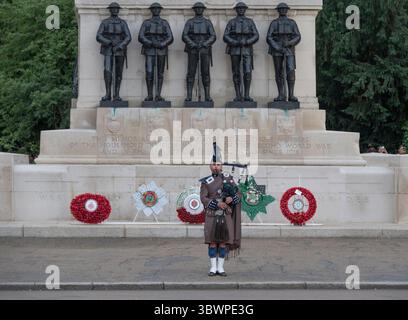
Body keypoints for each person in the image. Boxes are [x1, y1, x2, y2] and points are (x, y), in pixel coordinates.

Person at [200, 144, 242, 277]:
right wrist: (217, 203)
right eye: (213, 164)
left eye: (218, 164)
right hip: (212, 215)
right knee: (212, 242)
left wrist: (231, 198)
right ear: (210, 166)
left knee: (223, 242)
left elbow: (239, 194)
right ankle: (213, 267)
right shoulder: (206, 182)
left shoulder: (229, 179)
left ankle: (221, 268)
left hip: (226, 215)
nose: (216, 167)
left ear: (221, 165)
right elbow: (203, 198)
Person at [223, 2, 259, 102]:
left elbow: (256, 35)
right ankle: (238, 95)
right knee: (236, 73)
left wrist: (247, 41)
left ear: (245, 10)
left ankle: (247, 95)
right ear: (236, 10)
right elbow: (225, 36)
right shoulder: (231, 22)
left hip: (247, 49)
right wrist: (235, 42)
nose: (241, 10)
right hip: (234, 50)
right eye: (239, 8)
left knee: (247, 72)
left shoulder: (250, 22)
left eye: (243, 8)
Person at [96, 2, 132, 102]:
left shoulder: (122, 23)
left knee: (118, 73)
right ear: (110, 10)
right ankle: (108, 94)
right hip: (108, 50)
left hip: (120, 51)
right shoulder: (105, 22)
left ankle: (116, 95)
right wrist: (109, 42)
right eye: (113, 8)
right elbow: (98, 36)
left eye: (116, 9)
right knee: (107, 71)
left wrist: (120, 46)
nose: (115, 10)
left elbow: (128, 37)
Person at [138, 3, 174, 102]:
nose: (156, 10)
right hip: (149, 50)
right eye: (154, 9)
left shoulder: (164, 23)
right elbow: (140, 36)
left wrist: (162, 44)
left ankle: (158, 94)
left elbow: (170, 37)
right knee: (149, 73)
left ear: (160, 10)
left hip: (161, 50)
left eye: (158, 9)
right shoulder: (146, 22)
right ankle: (150, 95)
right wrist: (150, 42)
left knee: (160, 73)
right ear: (151, 10)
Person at [182, 2, 217, 102]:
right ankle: (189, 96)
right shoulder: (190, 22)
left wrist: (205, 44)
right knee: (191, 73)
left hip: (204, 50)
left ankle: (207, 96)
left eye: (200, 8)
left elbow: (213, 36)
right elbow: (184, 35)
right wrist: (192, 44)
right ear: (194, 10)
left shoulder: (207, 22)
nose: (199, 10)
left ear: (203, 10)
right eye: (197, 8)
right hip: (192, 50)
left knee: (205, 73)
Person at [267, 2, 301, 102]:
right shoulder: (274, 23)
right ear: (278, 11)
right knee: (278, 72)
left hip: (289, 49)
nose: (283, 11)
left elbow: (298, 36)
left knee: (290, 71)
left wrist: (290, 43)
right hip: (277, 50)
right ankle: (281, 95)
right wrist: (277, 46)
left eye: (284, 9)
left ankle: (291, 95)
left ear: (287, 10)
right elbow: (269, 37)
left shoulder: (292, 23)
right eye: (281, 9)